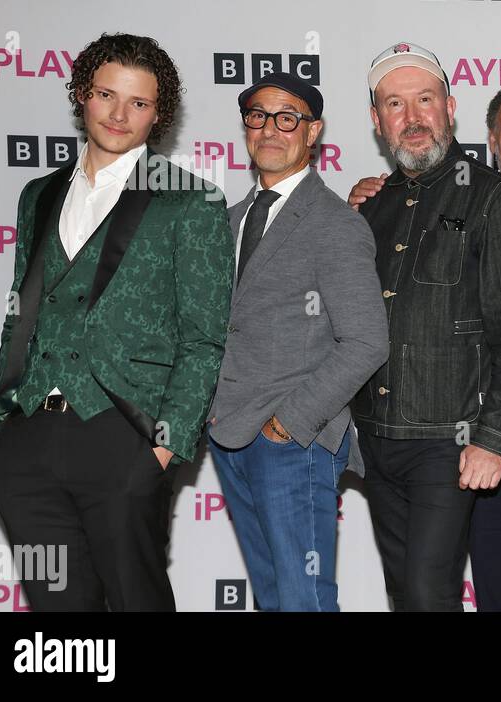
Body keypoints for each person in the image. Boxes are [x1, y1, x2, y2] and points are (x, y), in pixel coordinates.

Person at [0, 33, 233, 611]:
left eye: (139, 103)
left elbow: (205, 340)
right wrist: (2, 421)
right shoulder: (38, 195)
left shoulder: (192, 203)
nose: (120, 115)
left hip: (124, 436)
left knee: (136, 602)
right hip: (28, 441)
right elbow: (20, 311)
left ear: (159, 114)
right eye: (106, 95)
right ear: (80, 94)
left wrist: (160, 452)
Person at [349, 78, 501, 612]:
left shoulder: (492, 195)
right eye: (395, 104)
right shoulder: (375, 205)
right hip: (386, 436)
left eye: (424, 101)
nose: (411, 116)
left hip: (472, 439)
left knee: (438, 590)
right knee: (413, 592)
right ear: (378, 119)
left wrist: (495, 438)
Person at [206, 73, 388, 612]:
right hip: (229, 433)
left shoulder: (335, 222)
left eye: (288, 117)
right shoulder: (228, 221)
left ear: (313, 133)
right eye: (258, 116)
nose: (270, 129)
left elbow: (366, 341)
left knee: (303, 598)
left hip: (293, 443)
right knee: (272, 598)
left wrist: (290, 424)